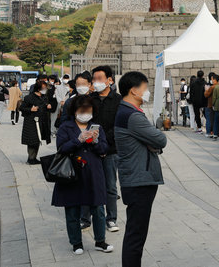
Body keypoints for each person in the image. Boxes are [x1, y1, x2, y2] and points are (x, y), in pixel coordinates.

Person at [115, 71, 167, 267]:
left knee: (136, 232)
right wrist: (152, 142)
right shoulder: (132, 116)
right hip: (139, 180)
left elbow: (153, 141)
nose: (147, 93)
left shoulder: (126, 111)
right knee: (136, 235)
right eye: (145, 89)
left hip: (135, 177)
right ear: (133, 91)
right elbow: (160, 139)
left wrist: (151, 142)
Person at [51, 94, 113, 255]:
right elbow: (61, 148)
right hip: (72, 172)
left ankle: (100, 241)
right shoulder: (66, 127)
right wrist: (78, 140)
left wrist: (96, 142)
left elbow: (104, 150)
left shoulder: (96, 127)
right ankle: (76, 243)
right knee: (72, 209)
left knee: (98, 208)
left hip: (93, 171)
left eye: (88, 109)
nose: (85, 113)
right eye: (81, 110)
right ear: (75, 110)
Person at [79, 66, 122, 233]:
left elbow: (119, 126)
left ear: (109, 80)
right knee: (88, 183)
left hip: (111, 150)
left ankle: (111, 219)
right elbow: (84, 122)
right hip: (91, 149)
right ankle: (85, 218)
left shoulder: (118, 100)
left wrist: (104, 144)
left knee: (110, 186)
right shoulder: (89, 99)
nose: (96, 82)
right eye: (94, 79)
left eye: (99, 78)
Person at [20, 80, 55, 164]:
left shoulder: (44, 97)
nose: (45, 89)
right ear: (38, 89)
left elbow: (44, 107)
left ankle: (34, 157)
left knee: (38, 140)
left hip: (42, 122)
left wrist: (48, 107)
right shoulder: (29, 97)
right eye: (44, 88)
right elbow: (21, 108)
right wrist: (31, 109)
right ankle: (31, 158)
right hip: (31, 122)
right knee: (32, 140)